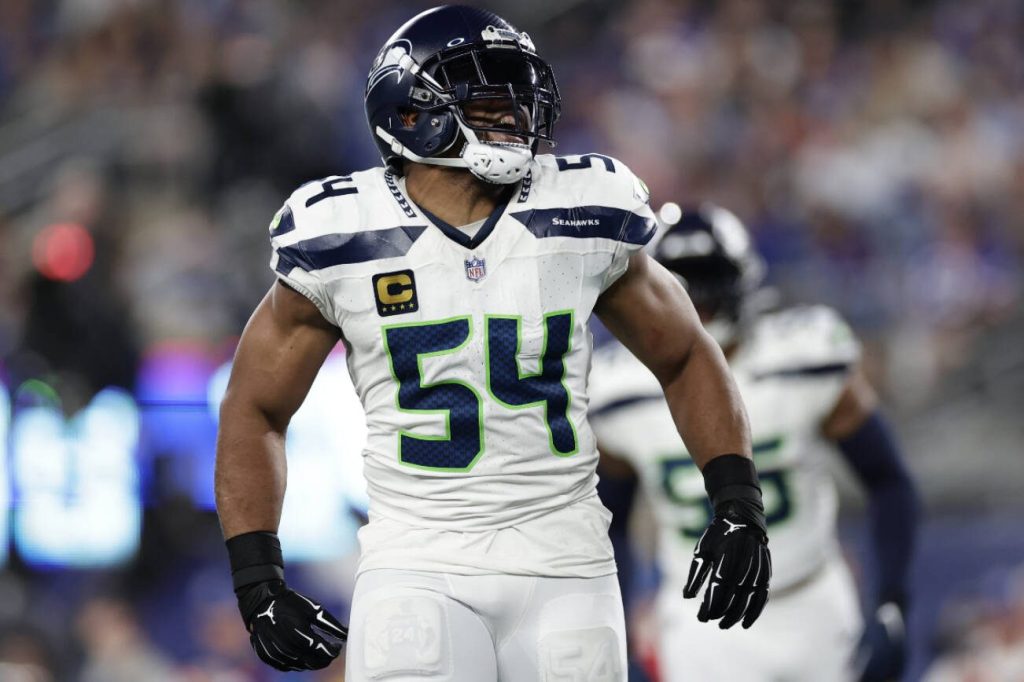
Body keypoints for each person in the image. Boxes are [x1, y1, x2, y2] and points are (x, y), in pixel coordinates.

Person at [214, 7, 771, 680]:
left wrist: (738, 500)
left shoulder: (582, 206)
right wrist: (257, 577)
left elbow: (685, 354)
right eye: (486, 94)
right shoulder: (339, 233)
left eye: (517, 90)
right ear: (411, 112)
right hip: (416, 559)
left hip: (566, 557)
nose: (514, 109)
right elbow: (255, 407)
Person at [589, 204, 920, 682]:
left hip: (811, 603)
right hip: (703, 622)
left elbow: (888, 481)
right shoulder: (619, 392)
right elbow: (609, 524)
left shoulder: (803, 359)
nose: (699, 299)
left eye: (709, 280)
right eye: (683, 284)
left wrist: (892, 599)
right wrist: (616, 627)